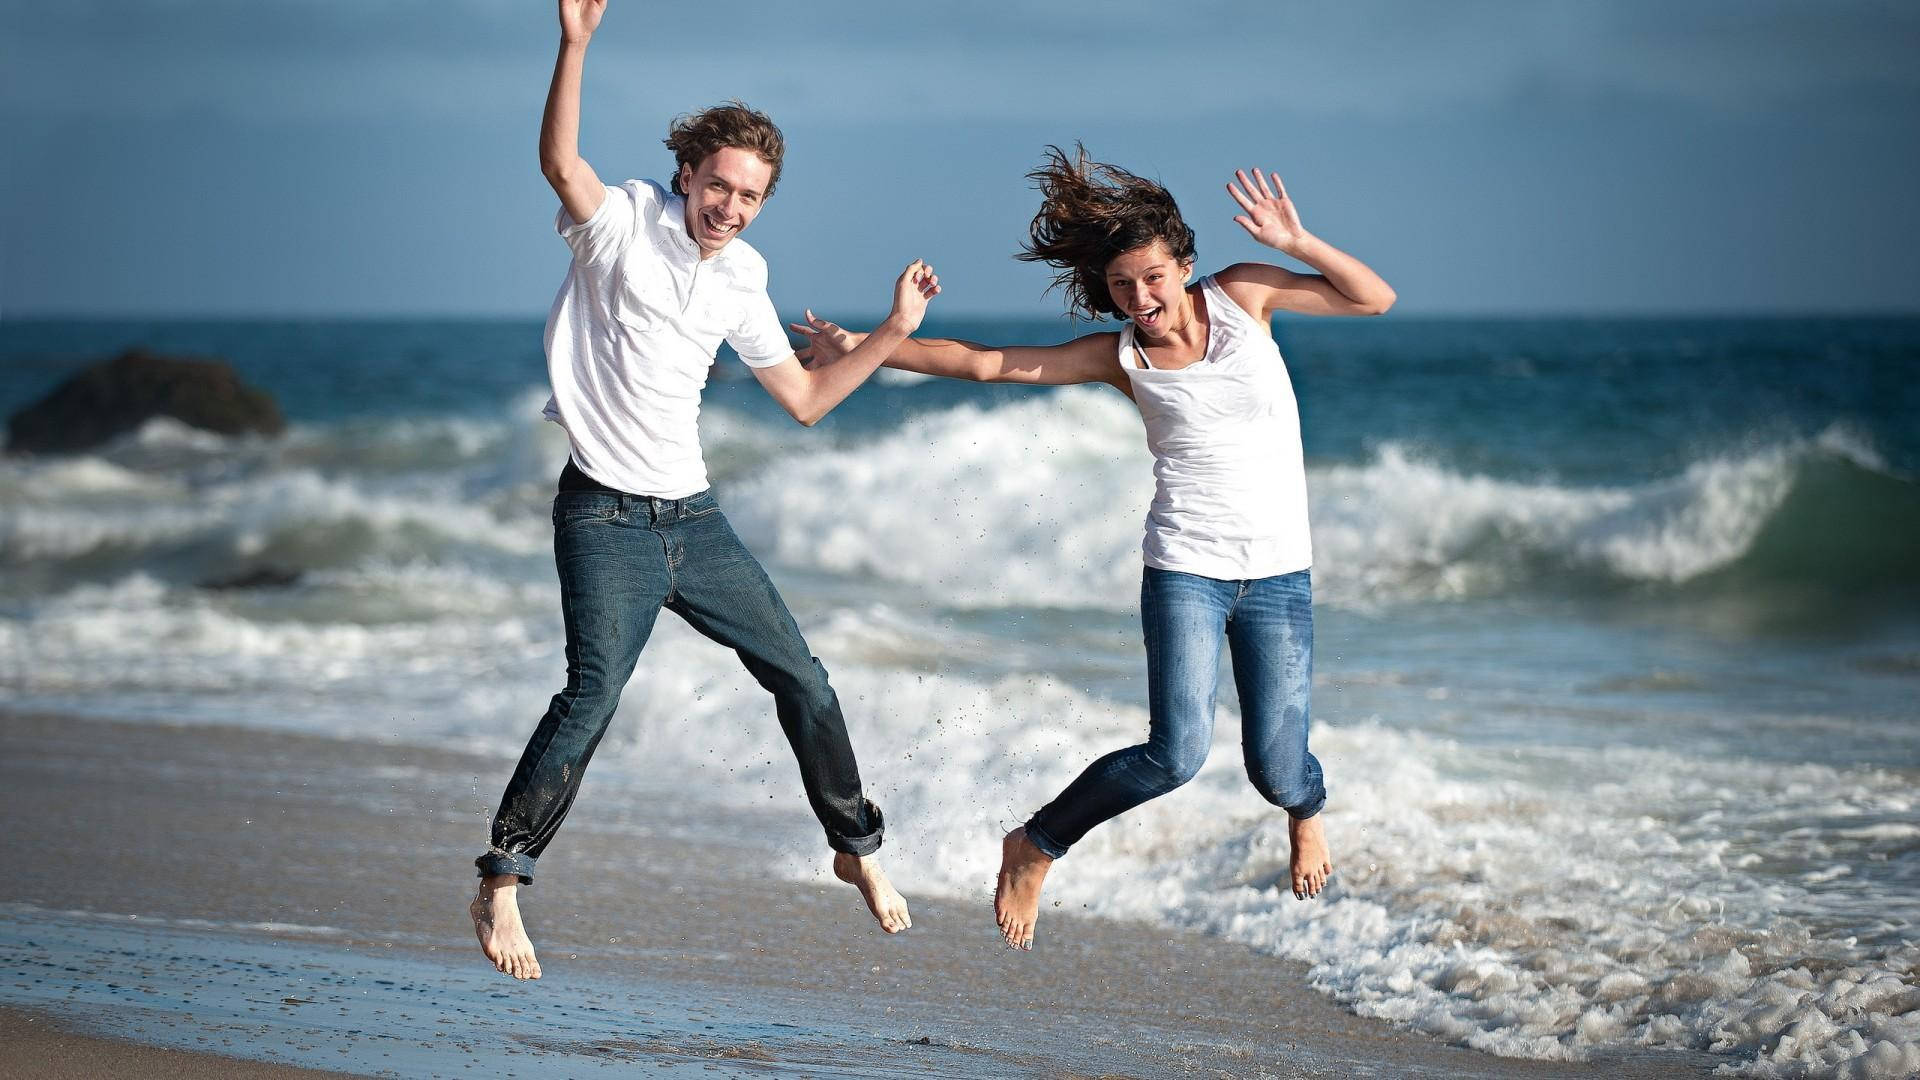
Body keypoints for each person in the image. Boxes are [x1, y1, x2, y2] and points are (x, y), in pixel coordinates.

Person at [794, 145, 1393, 950]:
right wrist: (867, 345)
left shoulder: (1247, 295)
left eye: (1152, 276)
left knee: (1279, 770)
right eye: (1122, 286)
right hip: (1186, 568)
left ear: (1183, 265)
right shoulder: (1122, 357)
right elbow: (983, 365)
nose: (1140, 297)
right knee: (1175, 755)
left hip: (1280, 574)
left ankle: (1305, 813)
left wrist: (1300, 243)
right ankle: (1035, 844)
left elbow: (1374, 299)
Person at [470, 0, 939, 981]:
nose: (729, 206)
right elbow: (561, 165)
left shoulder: (744, 276)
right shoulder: (621, 225)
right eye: (718, 185)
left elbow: (806, 399)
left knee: (803, 679)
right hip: (603, 516)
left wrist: (893, 330)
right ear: (687, 174)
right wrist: (575, 43)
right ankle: (503, 876)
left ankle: (854, 849)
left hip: (695, 520)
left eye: (750, 195)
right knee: (593, 697)